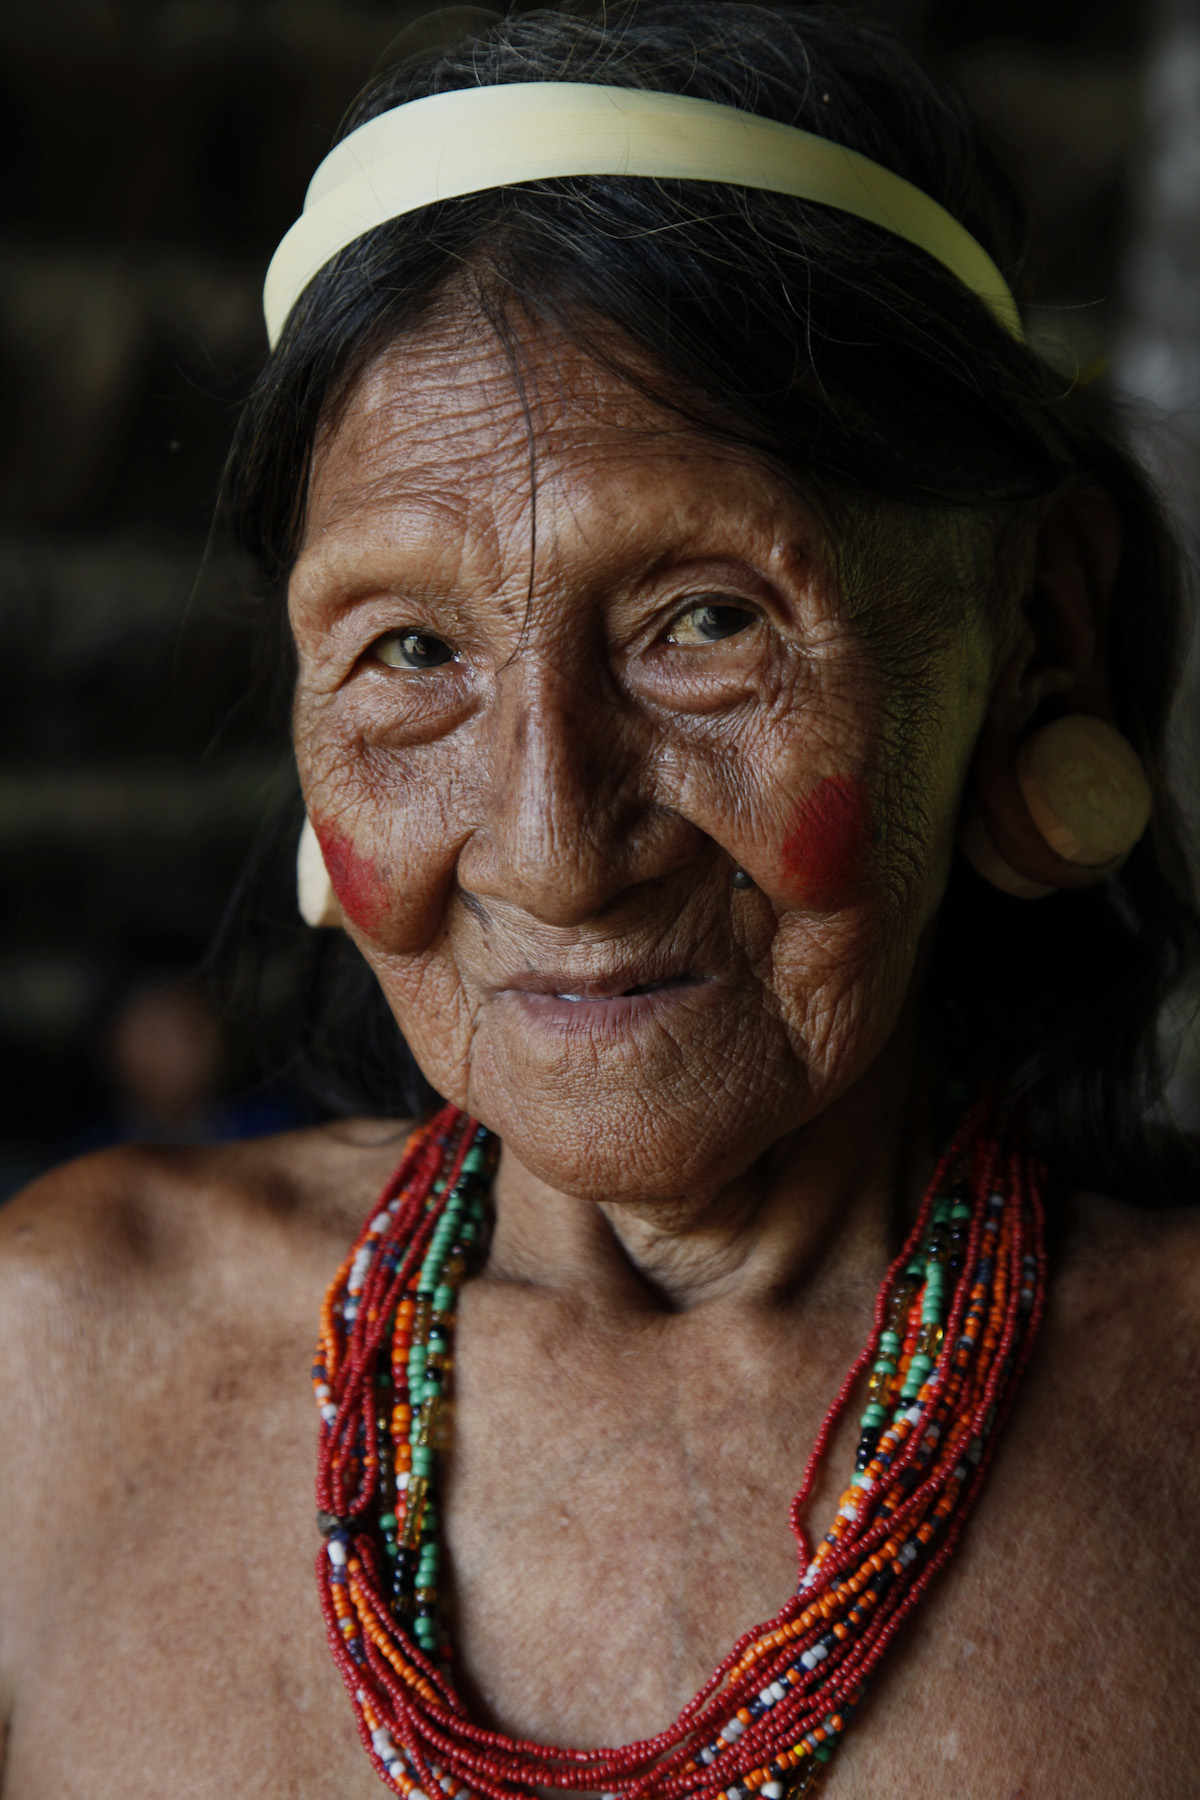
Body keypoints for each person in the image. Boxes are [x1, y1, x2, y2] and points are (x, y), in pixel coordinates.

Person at [2, 5, 1199, 1795]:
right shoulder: (57, 1367)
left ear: (1037, 632)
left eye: (705, 622)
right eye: (410, 652)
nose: (557, 846)